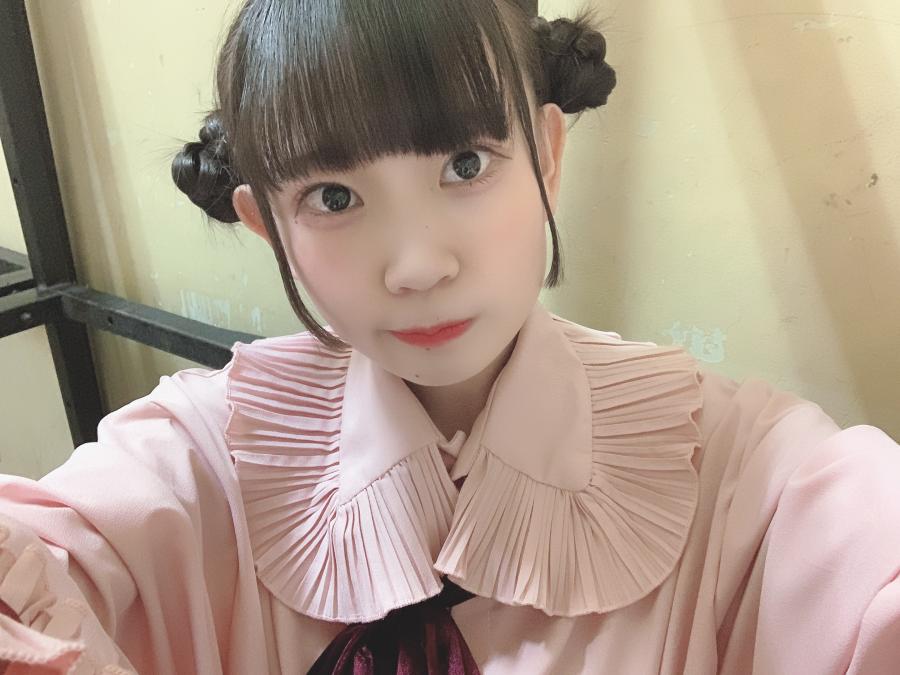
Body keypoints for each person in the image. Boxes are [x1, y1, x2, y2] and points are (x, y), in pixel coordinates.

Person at [1, 0, 898, 673]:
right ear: (267, 224)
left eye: (465, 165)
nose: (418, 264)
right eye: (334, 197)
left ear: (547, 154)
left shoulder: (740, 476)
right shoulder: (203, 460)